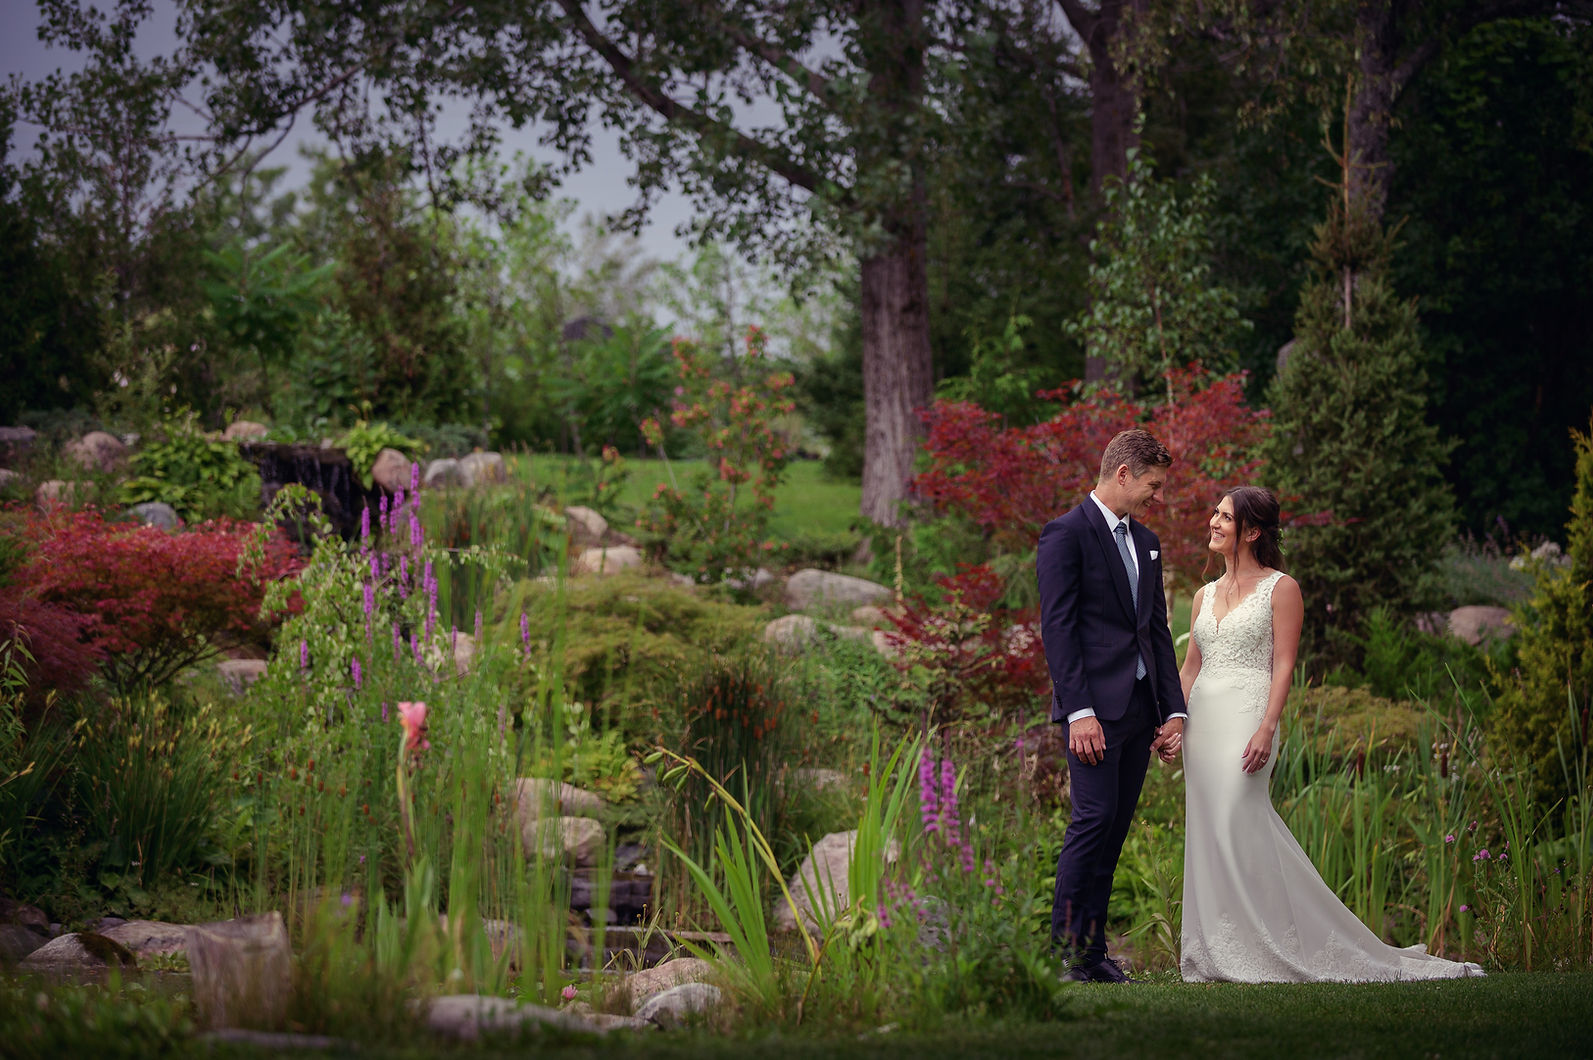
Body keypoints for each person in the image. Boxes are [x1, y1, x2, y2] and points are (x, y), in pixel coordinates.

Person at [1176, 485, 1483, 982]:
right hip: (1203, 724)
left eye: (1225, 517)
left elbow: (1284, 663)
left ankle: (1276, 944)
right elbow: (1191, 666)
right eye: (1215, 512)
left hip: (1249, 715)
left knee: (1239, 815)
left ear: (1252, 531)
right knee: (1210, 828)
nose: (1212, 521)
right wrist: (1174, 719)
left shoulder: (1282, 587)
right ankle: (1216, 949)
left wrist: (1267, 728)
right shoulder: (1203, 594)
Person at [1037, 429, 1188, 983]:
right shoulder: (1065, 535)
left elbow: (1156, 629)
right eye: (1153, 484)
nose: (1157, 495)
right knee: (1092, 821)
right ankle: (1065, 953)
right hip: (1092, 716)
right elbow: (1058, 630)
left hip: (1138, 713)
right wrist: (1079, 712)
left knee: (1115, 827)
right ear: (1122, 473)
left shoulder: (1147, 541)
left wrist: (1173, 711)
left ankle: (1091, 953)